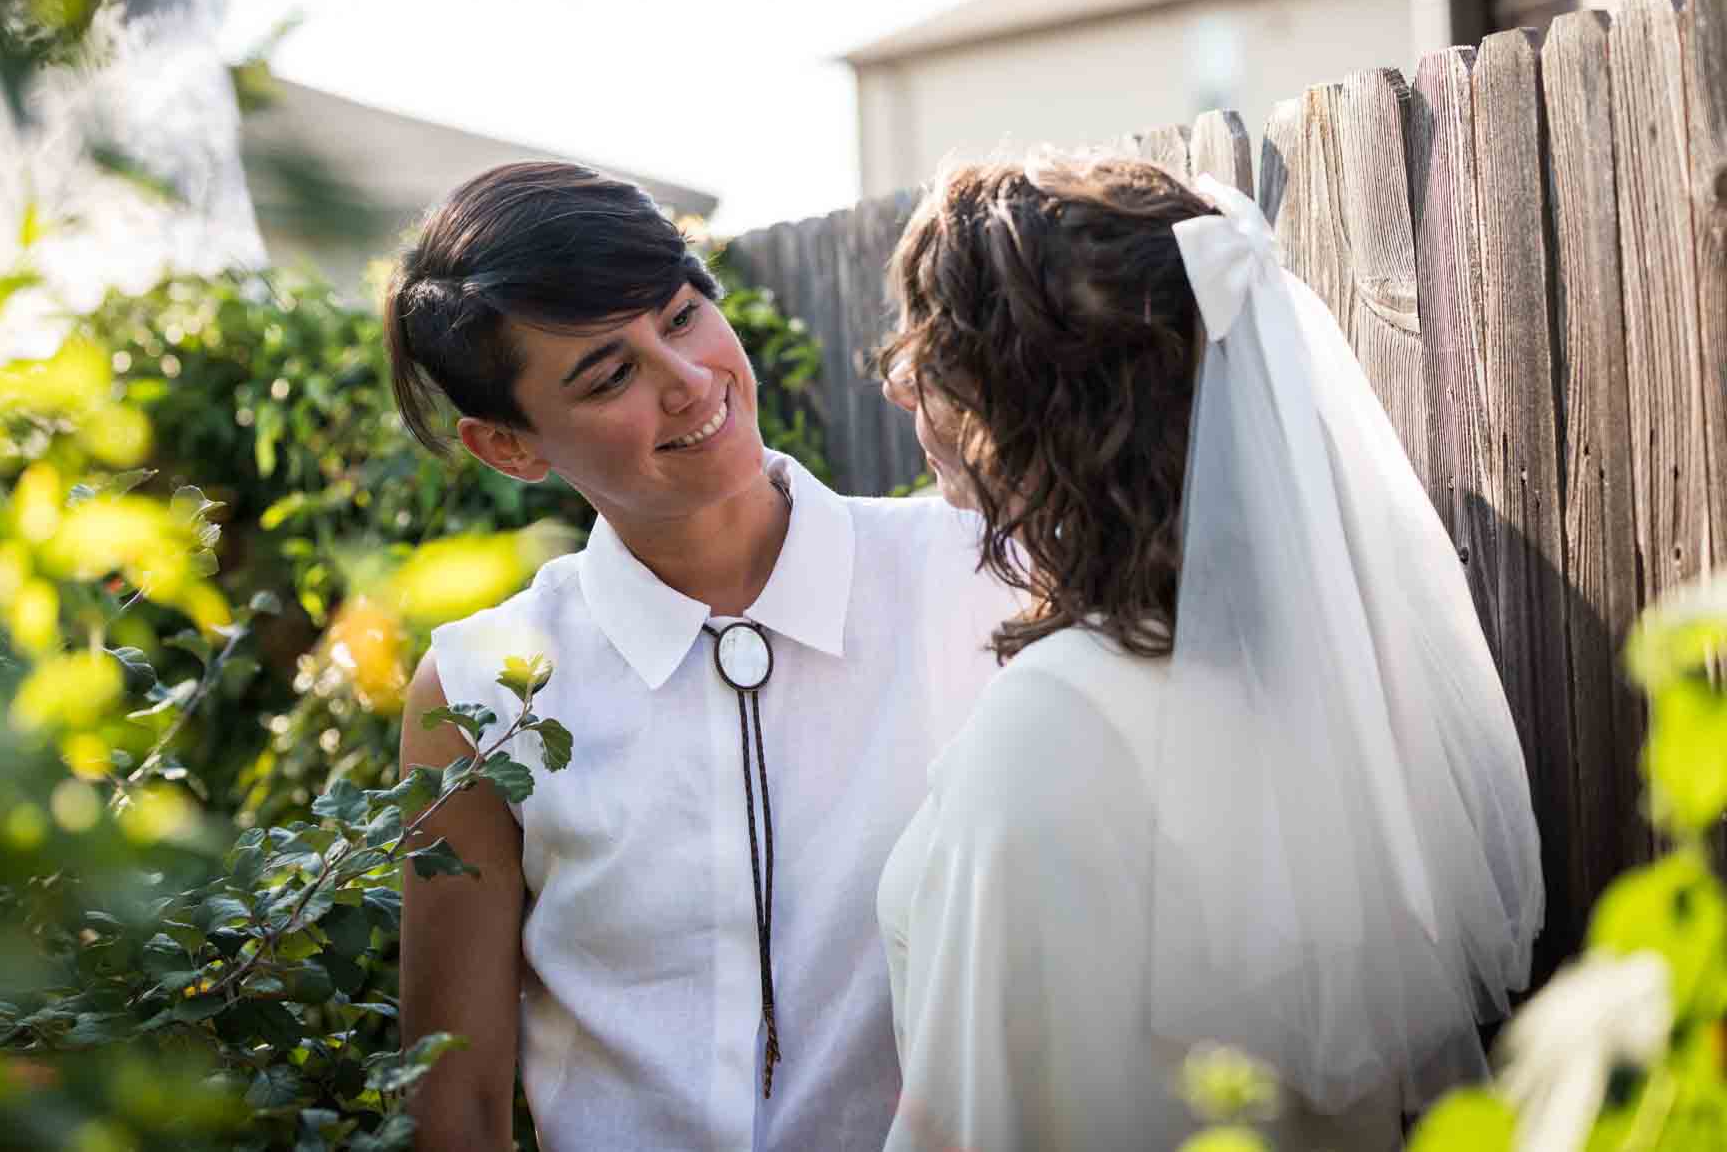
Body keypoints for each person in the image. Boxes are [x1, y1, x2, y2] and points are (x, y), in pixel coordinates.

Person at [874, 153, 1545, 1150]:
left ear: (1035, 408)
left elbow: (976, 1119)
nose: (896, 382)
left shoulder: (1053, 725)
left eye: (930, 350)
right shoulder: (1313, 679)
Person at [384, 161, 1019, 1151]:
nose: (687, 383)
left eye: (681, 317)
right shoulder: (476, 690)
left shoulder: (978, 575)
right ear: (508, 445)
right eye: (608, 374)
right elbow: (453, 1103)